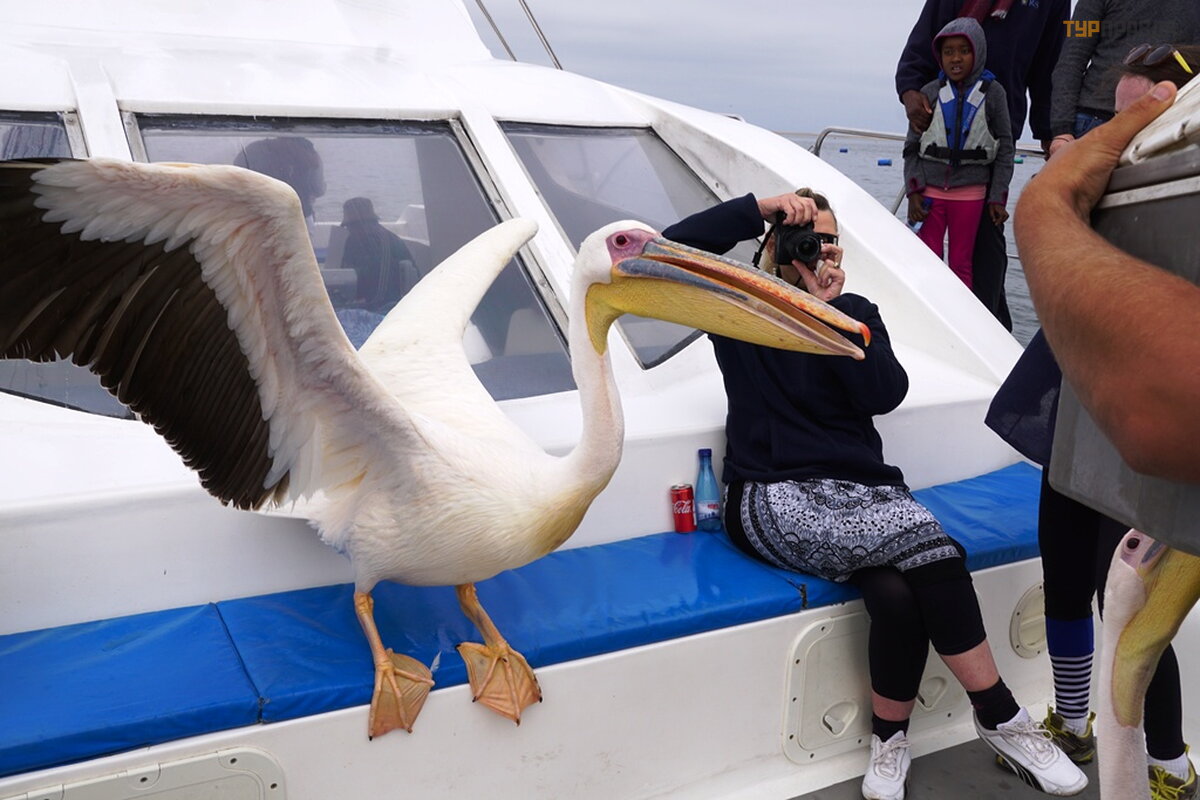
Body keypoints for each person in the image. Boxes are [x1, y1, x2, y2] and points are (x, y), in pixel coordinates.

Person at [663, 190, 1087, 800]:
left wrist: (830, 314)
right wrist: (760, 207)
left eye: (828, 240)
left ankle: (889, 741)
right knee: (933, 550)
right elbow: (671, 250)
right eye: (805, 236)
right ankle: (1000, 716)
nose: (817, 248)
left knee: (895, 594)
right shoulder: (742, 305)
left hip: (865, 495)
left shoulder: (856, 311)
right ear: (772, 243)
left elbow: (884, 393)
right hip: (770, 495)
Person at [1008, 52, 1200, 798]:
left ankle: (1168, 762)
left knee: (1126, 597)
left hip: (1141, 419)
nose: (1119, 142)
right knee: (1063, 566)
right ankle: (1071, 717)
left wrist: (1044, 208)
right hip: (1077, 404)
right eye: (1111, 123)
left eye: (1137, 123)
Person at [895, 0, 1069, 330]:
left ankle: (986, 334)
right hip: (935, 142)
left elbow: (1051, 64)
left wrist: (1053, 132)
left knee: (985, 250)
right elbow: (922, 43)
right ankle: (920, 325)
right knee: (924, 248)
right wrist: (910, 91)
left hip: (993, 143)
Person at [903, 17, 1014, 290]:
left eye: (964, 51)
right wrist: (913, 190)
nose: (955, 58)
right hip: (929, 194)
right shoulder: (929, 92)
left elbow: (1005, 148)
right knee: (925, 258)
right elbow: (911, 147)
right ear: (939, 56)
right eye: (948, 51)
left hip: (971, 195)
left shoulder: (994, 94)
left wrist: (998, 196)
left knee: (961, 263)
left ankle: (957, 311)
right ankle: (925, 304)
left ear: (978, 53)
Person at [1048, 2, 1200, 158]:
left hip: (1167, 123)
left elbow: (1071, 59)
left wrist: (1061, 130)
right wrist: (1062, 130)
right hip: (1098, 121)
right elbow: (1072, 59)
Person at [339, 196, 419, 313]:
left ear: (363, 224)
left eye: (351, 225)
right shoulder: (352, 241)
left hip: (386, 305)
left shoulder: (385, 243)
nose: (349, 229)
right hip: (361, 301)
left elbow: (381, 293)